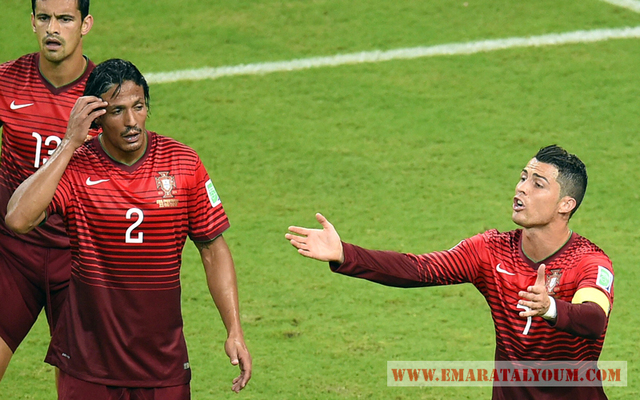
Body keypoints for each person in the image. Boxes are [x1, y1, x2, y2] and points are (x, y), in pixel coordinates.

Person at [5, 58, 252, 398]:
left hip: (162, 364)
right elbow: (17, 219)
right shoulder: (76, 168)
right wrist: (68, 143)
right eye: (117, 111)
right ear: (97, 117)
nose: (132, 121)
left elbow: (213, 249)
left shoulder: (183, 164)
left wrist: (234, 329)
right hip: (88, 365)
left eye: (138, 106)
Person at [285, 145, 614, 400]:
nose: (522, 188)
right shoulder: (490, 250)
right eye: (523, 177)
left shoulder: (588, 261)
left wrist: (550, 307)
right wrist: (345, 253)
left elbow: (594, 319)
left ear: (565, 204)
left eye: (538, 184)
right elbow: (418, 269)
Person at [0, 0, 95, 381]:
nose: (53, 28)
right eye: (44, 18)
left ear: (85, 24)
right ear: (33, 22)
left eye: (65, 19)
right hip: (12, 255)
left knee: (82, 385)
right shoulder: (7, 80)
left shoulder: (104, 94)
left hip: (79, 261)